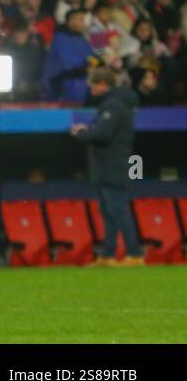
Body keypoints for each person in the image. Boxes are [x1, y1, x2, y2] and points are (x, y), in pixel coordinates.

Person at [71, 66, 145, 266]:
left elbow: (103, 135)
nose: (91, 90)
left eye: (93, 85)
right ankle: (108, 254)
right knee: (109, 212)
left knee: (118, 210)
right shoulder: (117, 104)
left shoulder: (113, 106)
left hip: (114, 165)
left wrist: (81, 134)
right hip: (112, 165)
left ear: (102, 84)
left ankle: (135, 253)